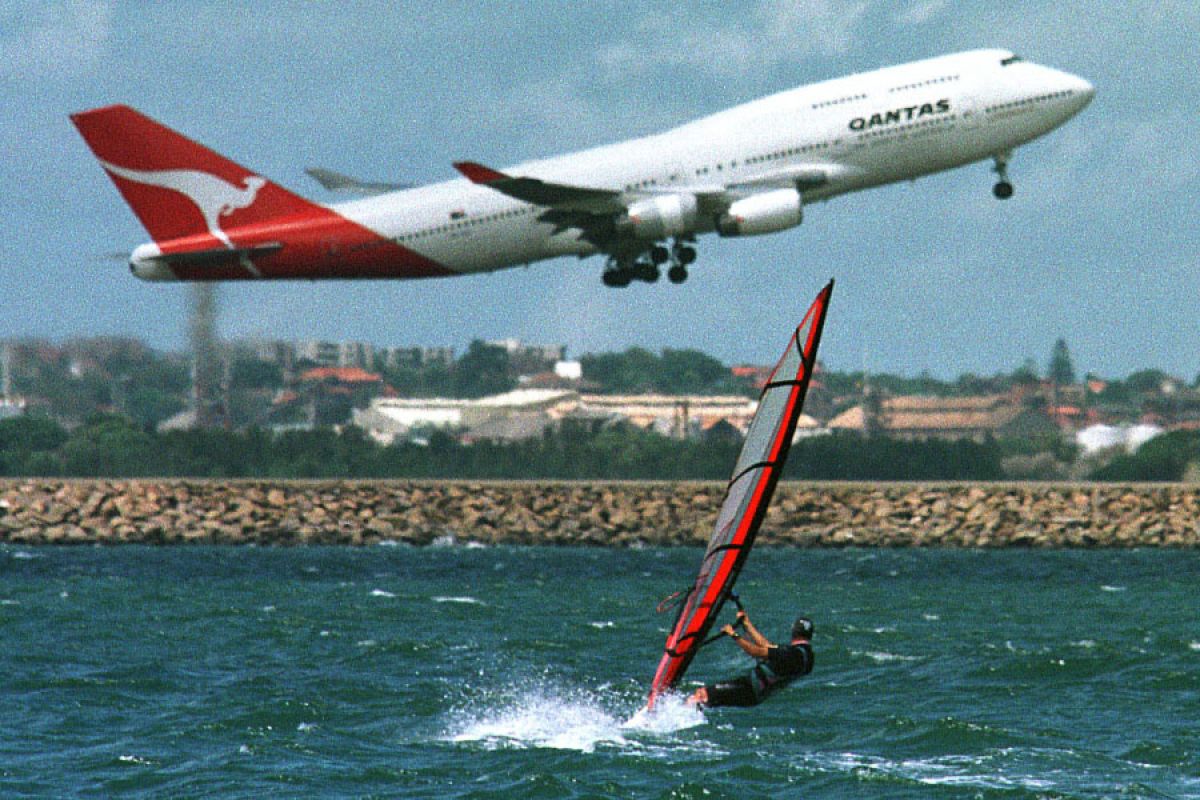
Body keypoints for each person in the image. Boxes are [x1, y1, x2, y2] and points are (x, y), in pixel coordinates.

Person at [687, 611, 813, 708]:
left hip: (747, 689)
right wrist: (747, 624)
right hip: (755, 695)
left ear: (793, 631)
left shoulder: (791, 654)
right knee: (708, 700)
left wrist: (733, 634)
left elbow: (755, 651)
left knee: (702, 695)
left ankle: (678, 718)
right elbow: (766, 646)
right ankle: (686, 717)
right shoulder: (805, 655)